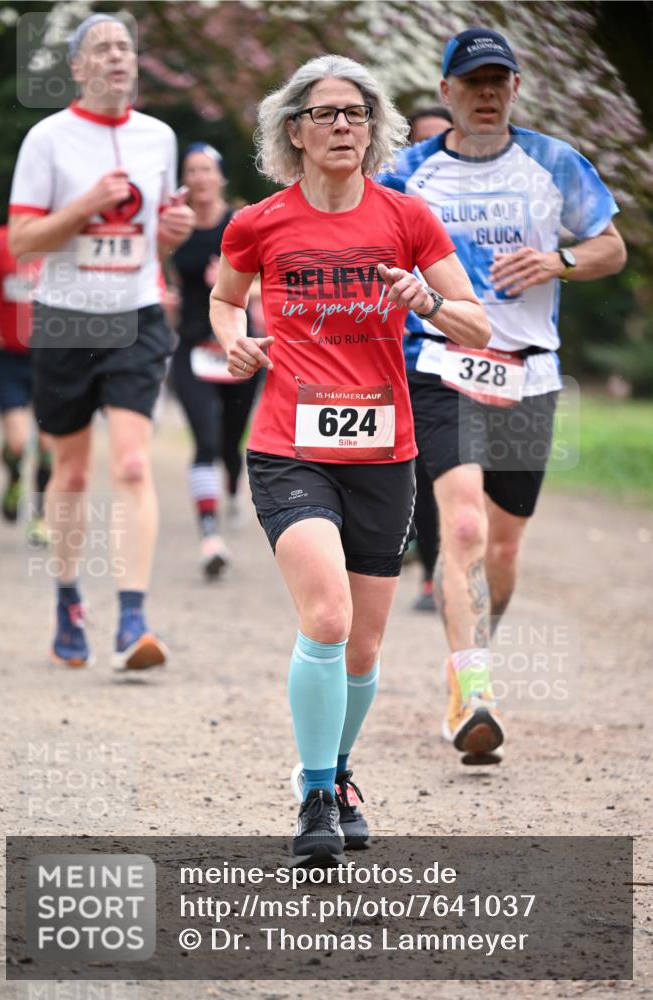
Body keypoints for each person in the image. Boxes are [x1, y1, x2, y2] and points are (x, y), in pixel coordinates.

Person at [210, 54, 489, 865]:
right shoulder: (258, 222)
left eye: (357, 115)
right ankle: (315, 796)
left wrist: (427, 301)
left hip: (383, 452)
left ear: (373, 134)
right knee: (326, 618)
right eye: (326, 113)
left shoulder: (408, 220)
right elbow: (226, 297)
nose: (343, 126)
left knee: (363, 649)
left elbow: (474, 325)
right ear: (293, 130)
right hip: (288, 446)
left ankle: (335, 770)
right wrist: (234, 343)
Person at [379, 27, 626, 763]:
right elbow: (366, 249)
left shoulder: (555, 163)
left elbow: (609, 247)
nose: (486, 94)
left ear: (514, 89)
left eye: (498, 81)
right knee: (460, 529)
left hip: (528, 373)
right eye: (471, 82)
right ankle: (473, 690)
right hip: (439, 364)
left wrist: (558, 260)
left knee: (505, 542)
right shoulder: (406, 173)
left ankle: (472, 652)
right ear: (446, 91)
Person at [8, 14, 194, 669]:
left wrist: (173, 229)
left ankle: (132, 619)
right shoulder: (48, 138)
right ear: (79, 68)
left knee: (135, 464)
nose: (117, 57)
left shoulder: (159, 137)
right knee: (73, 471)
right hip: (65, 317)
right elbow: (23, 240)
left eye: (125, 47)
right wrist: (86, 204)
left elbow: (155, 237)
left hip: (136, 316)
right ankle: (67, 601)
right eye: (102, 49)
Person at [170, 143, 262, 578]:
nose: (200, 177)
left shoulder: (241, 223)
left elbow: (270, 281)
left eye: (207, 169)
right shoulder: (175, 226)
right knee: (205, 439)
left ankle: (231, 485)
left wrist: (230, 285)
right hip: (190, 349)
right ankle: (210, 535)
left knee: (230, 442)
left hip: (236, 348)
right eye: (192, 170)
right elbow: (157, 266)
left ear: (221, 176)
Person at [406, 106, 453, 612]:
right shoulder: (397, 199)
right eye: (422, 143)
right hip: (415, 357)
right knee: (427, 467)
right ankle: (429, 569)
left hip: (484, 355)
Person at [0, 225, 53, 543]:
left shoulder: (58, 240)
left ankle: (40, 517)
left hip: (51, 359)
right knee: (17, 442)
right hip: (9, 358)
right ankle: (14, 476)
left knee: (47, 445)